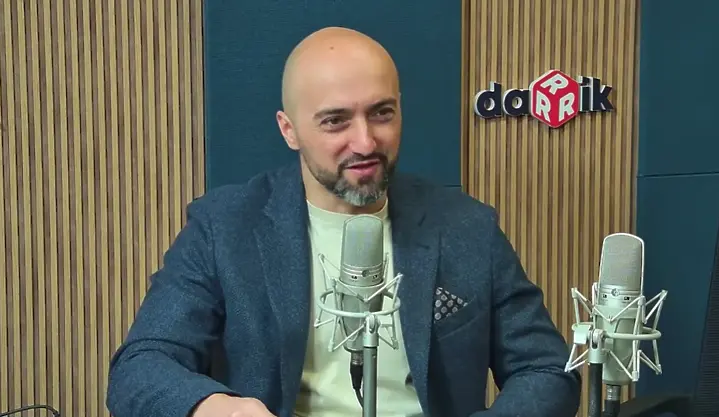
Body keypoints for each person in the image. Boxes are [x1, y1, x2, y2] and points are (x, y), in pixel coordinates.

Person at [106, 26, 581, 417]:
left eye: (382, 113)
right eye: (335, 121)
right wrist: (220, 409)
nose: (366, 142)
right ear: (289, 130)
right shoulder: (224, 227)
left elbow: (546, 370)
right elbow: (140, 367)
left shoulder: (467, 227)